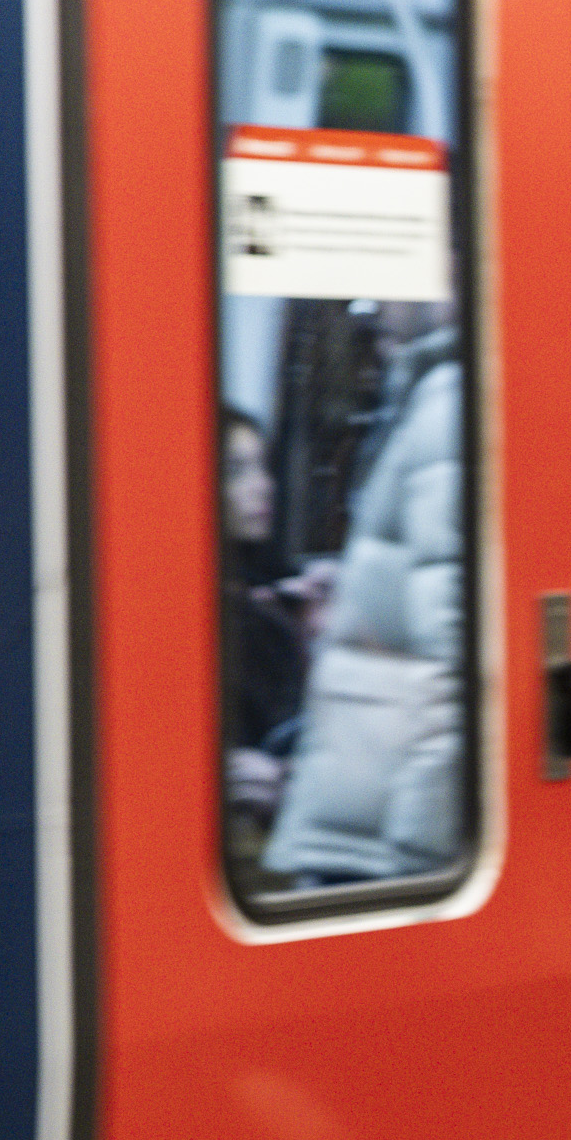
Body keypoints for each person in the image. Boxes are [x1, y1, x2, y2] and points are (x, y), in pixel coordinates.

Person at [263, 324, 467, 886]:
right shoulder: (434, 391)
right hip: (373, 798)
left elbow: (460, 647)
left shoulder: (450, 399)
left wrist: (420, 840)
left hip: (386, 821)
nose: (375, 310)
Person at [220, 407, 306, 866]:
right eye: (237, 471)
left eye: (262, 466)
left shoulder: (272, 598)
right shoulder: (221, 620)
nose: (264, 486)